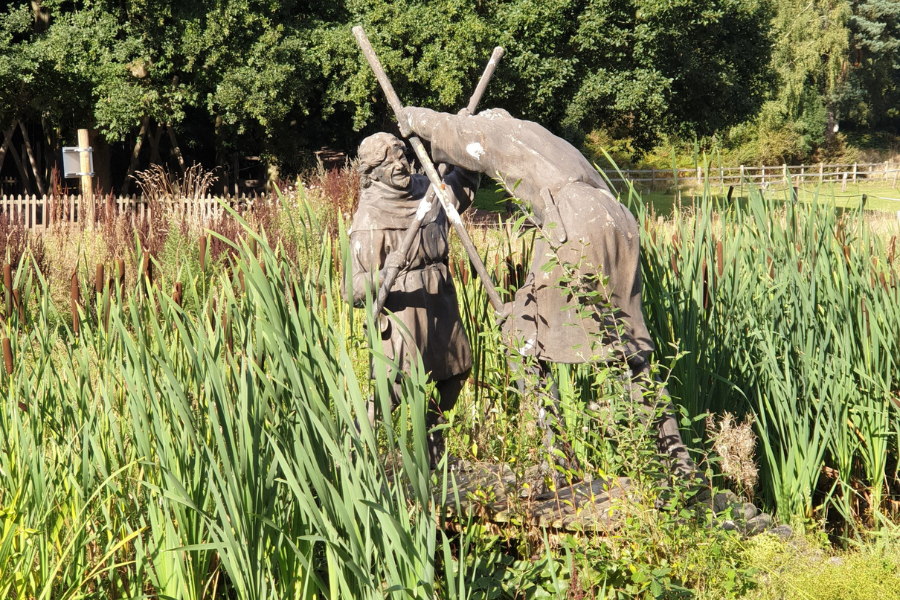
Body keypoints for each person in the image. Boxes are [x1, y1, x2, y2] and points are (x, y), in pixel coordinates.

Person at [400, 107, 698, 479]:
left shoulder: (507, 134)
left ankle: (555, 458)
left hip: (575, 223)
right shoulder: (547, 139)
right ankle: (678, 464)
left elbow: (462, 136)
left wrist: (413, 118)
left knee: (521, 331)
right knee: (626, 345)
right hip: (617, 223)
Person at [346, 132, 480, 467]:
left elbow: (461, 183)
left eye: (401, 155)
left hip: (440, 295)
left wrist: (461, 138)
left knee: (455, 372)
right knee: (391, 389)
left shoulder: (428, 188)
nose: (400, 164)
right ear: (371, 173)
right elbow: (353, 290)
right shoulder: (369, 221)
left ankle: (433, 447)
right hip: (405, 305)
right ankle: (347, 456)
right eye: (388, 161)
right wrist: (383, 274)